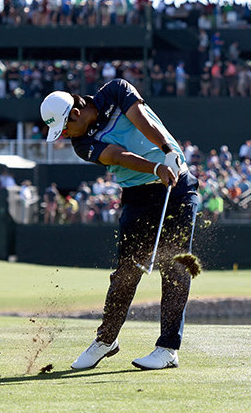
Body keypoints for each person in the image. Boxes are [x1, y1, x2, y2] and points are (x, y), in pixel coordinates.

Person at [40, 78, 199, 371]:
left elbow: (140, 120)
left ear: (75, 112)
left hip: (177, 187)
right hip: (138, 195)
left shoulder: (116, 90)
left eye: (63, 129)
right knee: (126, 272)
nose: (64, 136)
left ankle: (167, 349)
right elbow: (117, 156)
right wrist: (155, 167)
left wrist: (166, 150)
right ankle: (106, 340)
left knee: (175, 267)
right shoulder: (81, 143)